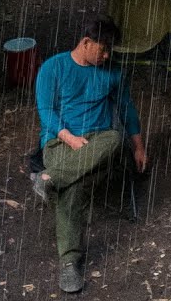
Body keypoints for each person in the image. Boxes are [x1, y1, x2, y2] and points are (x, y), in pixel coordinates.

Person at [32, 16, 146, 294]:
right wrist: (69, 138)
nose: (107, 55)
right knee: (76, 186)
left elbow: (126, 108)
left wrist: (139, 145)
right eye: (103, 49)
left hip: (99, 143)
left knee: (114, 138)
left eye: (110, 50)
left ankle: (48, 179)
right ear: (86, 42)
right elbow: (46, 111)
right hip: (60, 142)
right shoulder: (53, 67)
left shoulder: (112, 72)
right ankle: (69, 262)